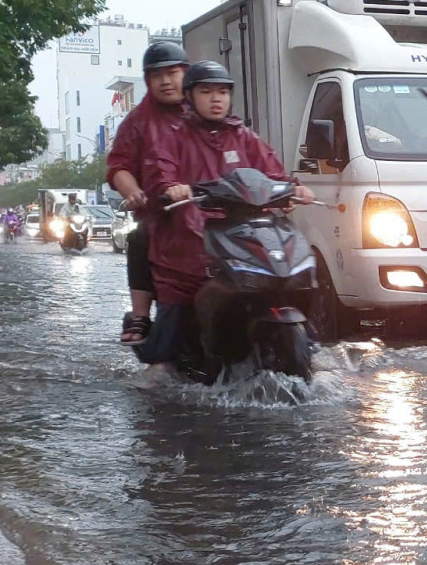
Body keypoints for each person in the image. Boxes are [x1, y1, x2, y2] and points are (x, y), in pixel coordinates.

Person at [133, 60, 310, 369]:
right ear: (190, 96)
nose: (216, 99)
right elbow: (160, 170)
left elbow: (274, 173)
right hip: (188, 242)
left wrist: (293, 189)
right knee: (163, 357)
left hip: (244, 236)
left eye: (223, 92)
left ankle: (307, 341)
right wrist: (171, 187)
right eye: (206, 92)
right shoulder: (172, 137)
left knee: (293, 277)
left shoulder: (244, 137)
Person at [106, 41, 190, 344]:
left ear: (186, 74)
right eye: (157, 75)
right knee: (139, 237)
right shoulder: (136, 122)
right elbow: (119, 167)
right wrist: (134, 192)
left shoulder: (203, 113)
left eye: (172, 73)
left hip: (208, 210)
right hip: (160, 213)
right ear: (147, 80)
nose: (166, 81)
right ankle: (140, 314)